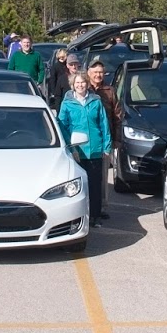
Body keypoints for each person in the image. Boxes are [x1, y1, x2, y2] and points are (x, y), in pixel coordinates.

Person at [56, 72, 111, 226]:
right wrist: (71, 148)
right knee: (76, 187)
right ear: (73, 85)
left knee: (95, 185)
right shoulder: (67, 103)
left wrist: (107, 146)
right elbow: (62, 126)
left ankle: (95, 216)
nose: (80, 85)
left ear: (87, 84)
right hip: (77, 152)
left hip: (95, 149)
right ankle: (75, 217)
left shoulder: (96, 102)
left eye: (83, 82)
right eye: (77, 83)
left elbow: (104, 124)